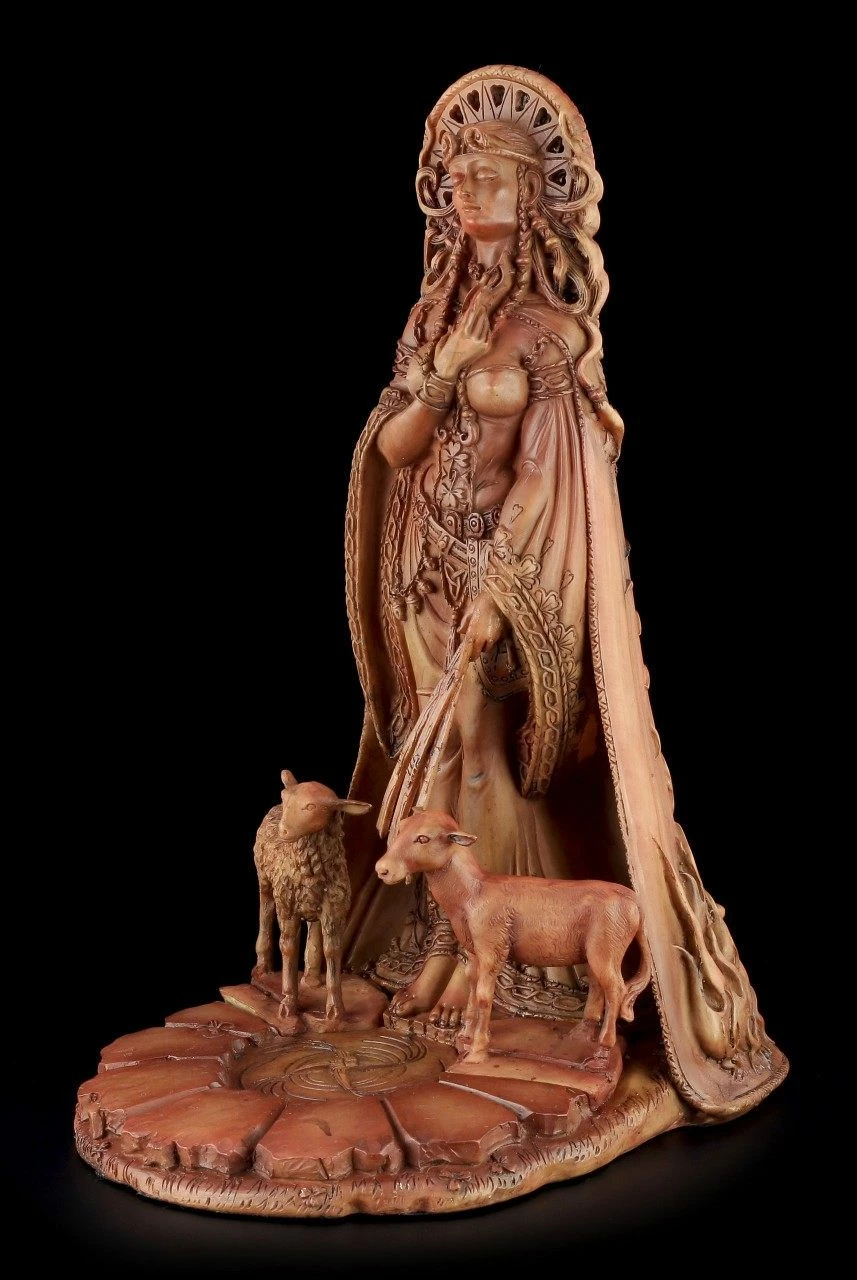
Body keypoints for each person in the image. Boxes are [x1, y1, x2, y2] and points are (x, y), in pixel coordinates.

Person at [342, 67, 786, 1116]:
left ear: (533, 195)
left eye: (490, 175)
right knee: (431, 749)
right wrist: (440, 375)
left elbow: (552, 476)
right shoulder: (431, 316)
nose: (469, 190)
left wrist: (504, 589)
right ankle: (435, 947)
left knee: (483, 751)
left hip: (508, 572)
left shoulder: (549, 331)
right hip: (423, 565)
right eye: (457, 176)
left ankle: (508, 959)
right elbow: (395, 447)